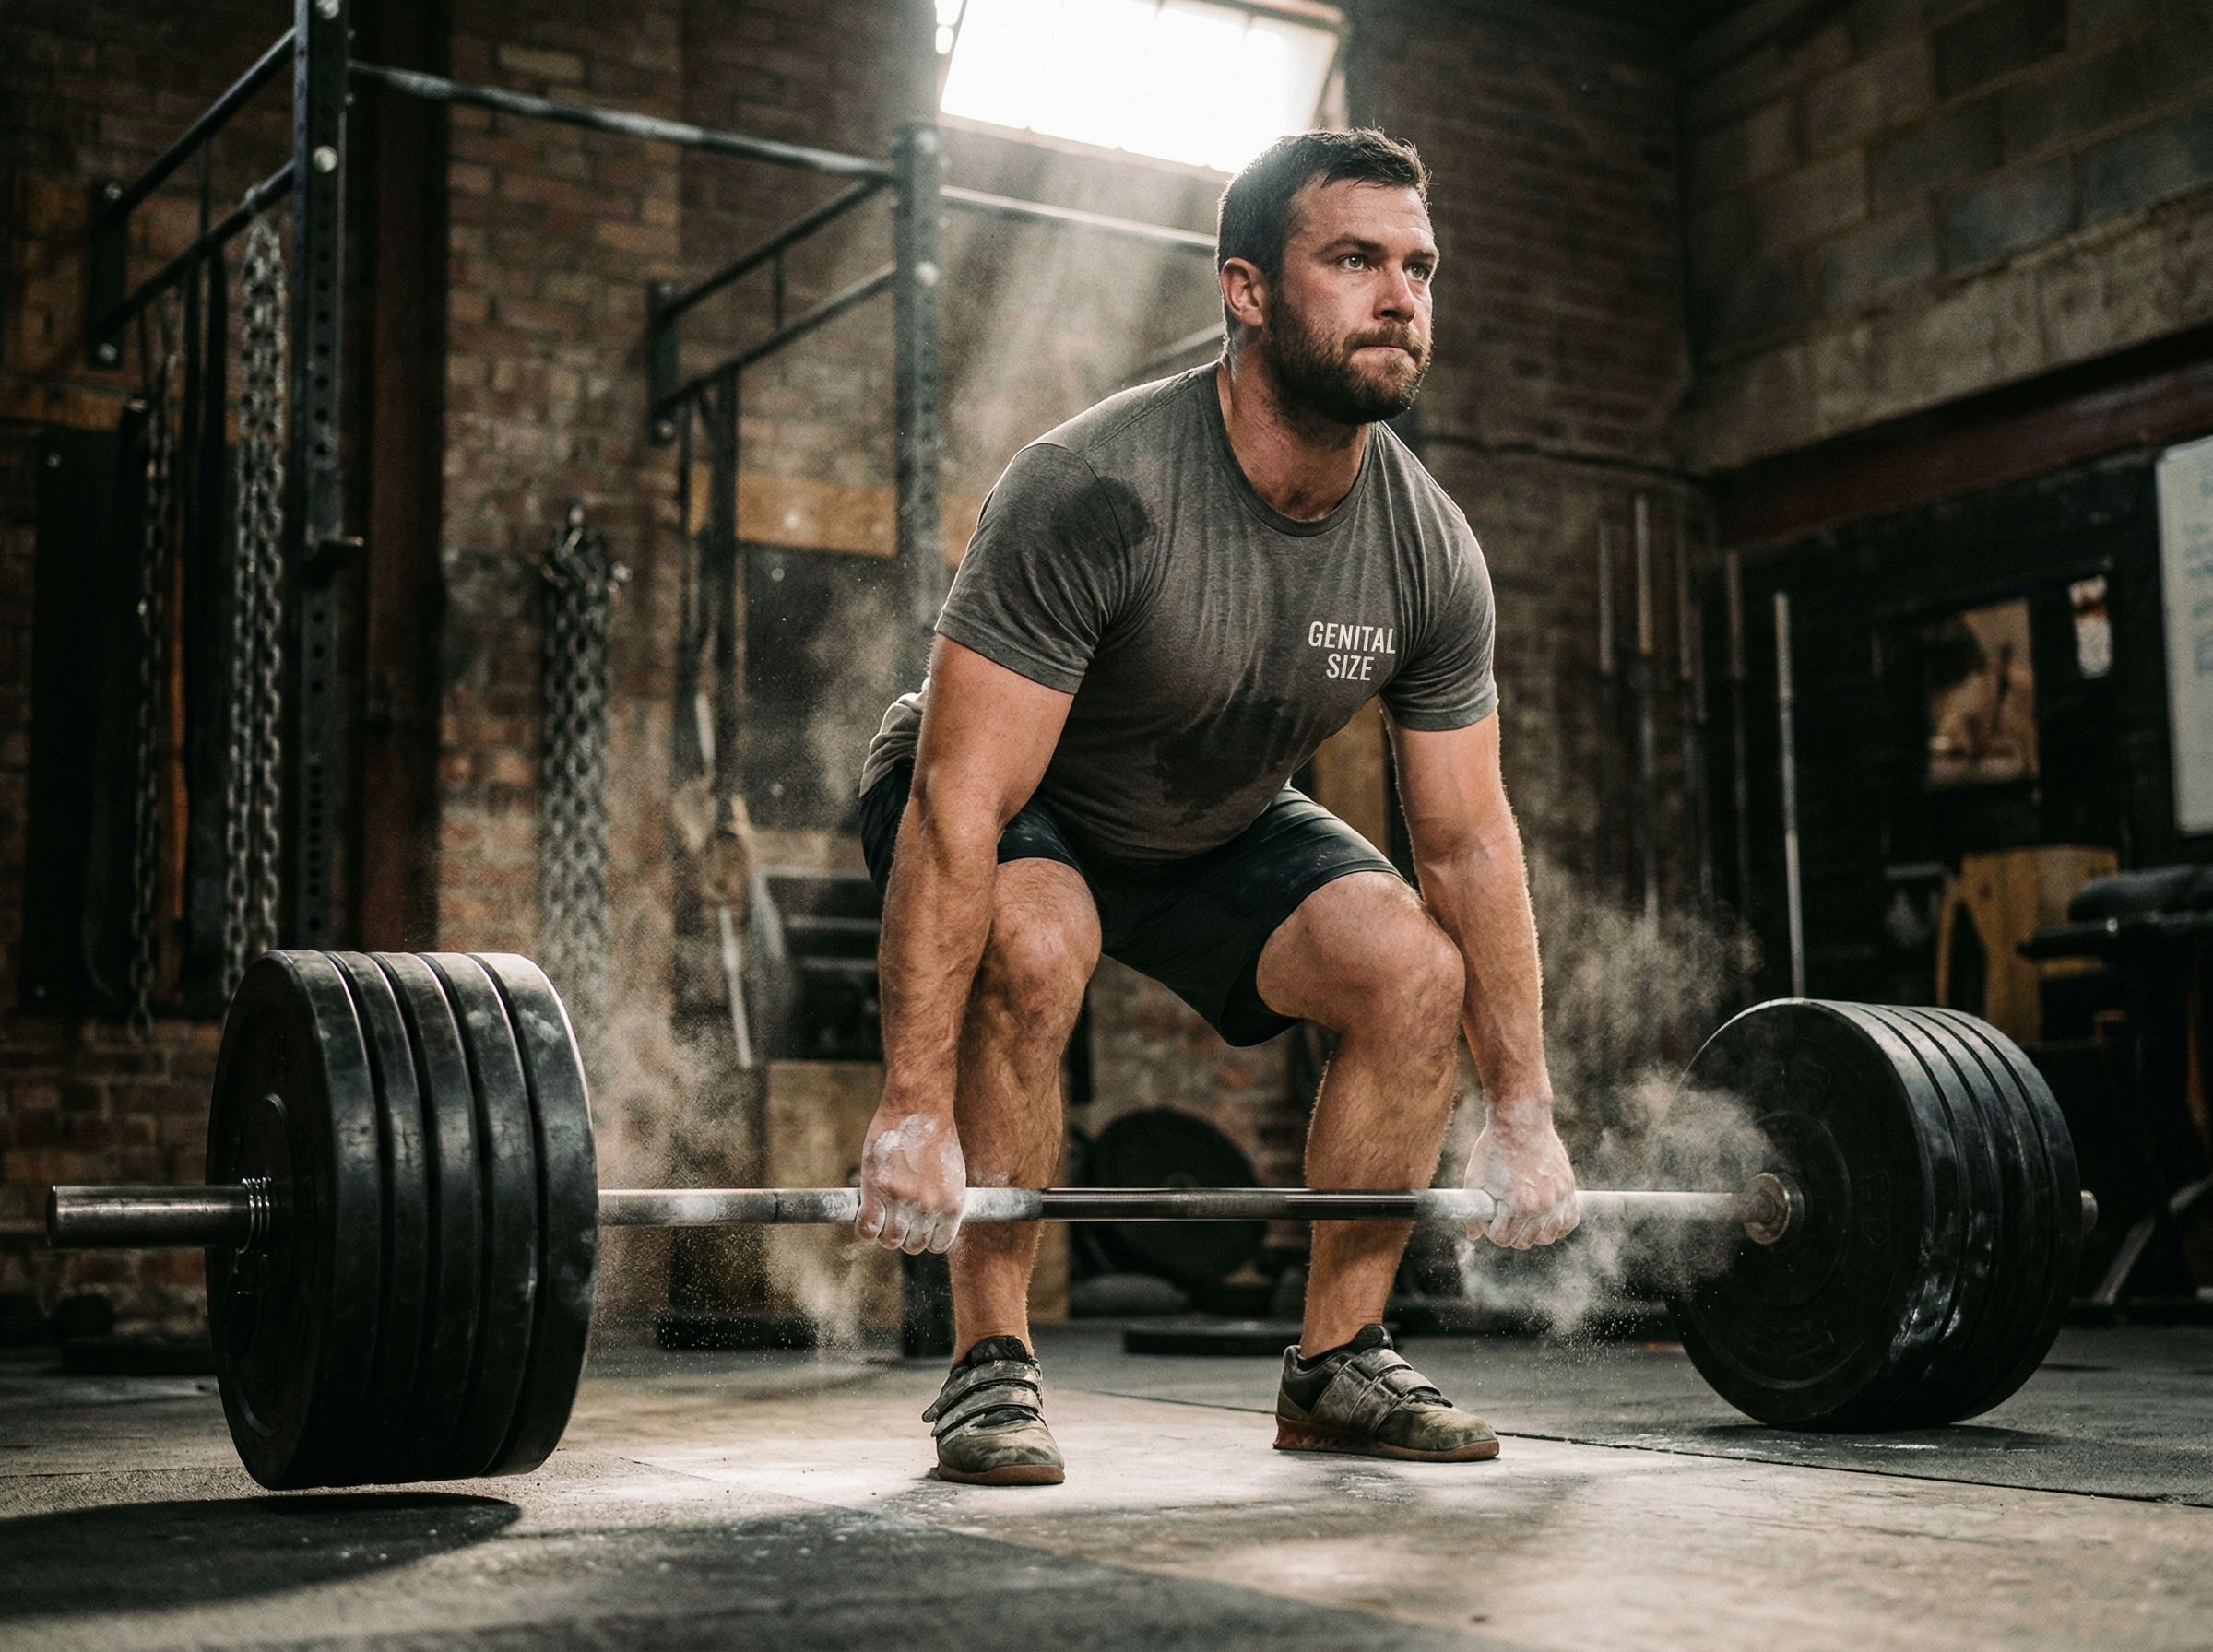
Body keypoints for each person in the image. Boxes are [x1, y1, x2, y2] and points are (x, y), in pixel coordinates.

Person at [853, 129, 1580, 1487]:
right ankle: (988, 1365)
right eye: (1355, 259)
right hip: (1017, 802)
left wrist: (1524, 1108)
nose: (1401, 295)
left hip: (1213, 816)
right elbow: (962, 800)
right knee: (1038, 934)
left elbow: (1471, 842)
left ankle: (1337, 1364)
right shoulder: (1096, 487)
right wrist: (910, 1104)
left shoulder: (1429, 550)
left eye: (1419, 265)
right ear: (1246, 291)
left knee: (1414, 972)